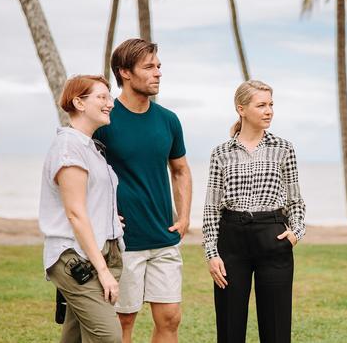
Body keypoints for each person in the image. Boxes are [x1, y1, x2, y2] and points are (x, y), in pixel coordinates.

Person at [93, 38, 192, 343]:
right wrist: (102, 216)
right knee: (123, 320)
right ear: (124, 72)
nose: (158, 72)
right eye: (149, 67)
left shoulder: (168, 120)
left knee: (171, 317)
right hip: (124, 241)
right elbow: (85, 177)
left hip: (164, 235)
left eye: (158, 66)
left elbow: (180, 170)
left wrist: (185, 216)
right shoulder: (104, 119)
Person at [202, 79, 306, 343]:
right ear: (241, 109)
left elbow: (295, 200)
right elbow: (212, 207)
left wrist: (295, 233)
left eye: (271, 104)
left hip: (272, 237)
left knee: (276, 329)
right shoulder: (221, 153)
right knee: (229, 328)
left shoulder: (284, 149)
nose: (269, 110)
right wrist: (212, 253)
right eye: (261, 105)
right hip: (231, 240)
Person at [38, 75, 125, 343]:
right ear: (78, 102)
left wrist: (109, 216)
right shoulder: (69, 147)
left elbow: (88, 201)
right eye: (101, 97)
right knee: (108, 337)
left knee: (74, 337)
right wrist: (102, 271)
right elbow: (74, 213)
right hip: (77, 258)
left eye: (109, 97)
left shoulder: (91, 148)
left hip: (101, 251)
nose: (110, 103)